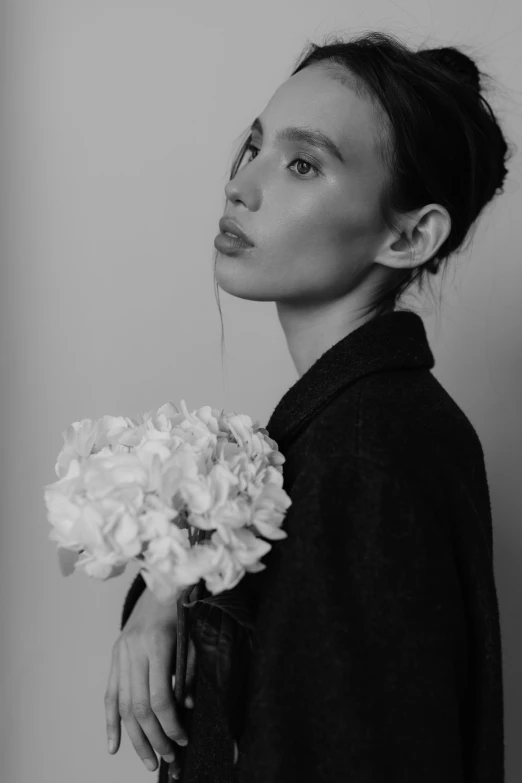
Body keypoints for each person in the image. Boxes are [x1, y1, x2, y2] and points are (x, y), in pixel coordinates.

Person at [105, 31, 511, 782]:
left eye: (302, 164)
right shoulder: (351, 424)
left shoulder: (366, 454)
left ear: (410, 234)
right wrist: (166, 581)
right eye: (253, 147)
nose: (242, 185)